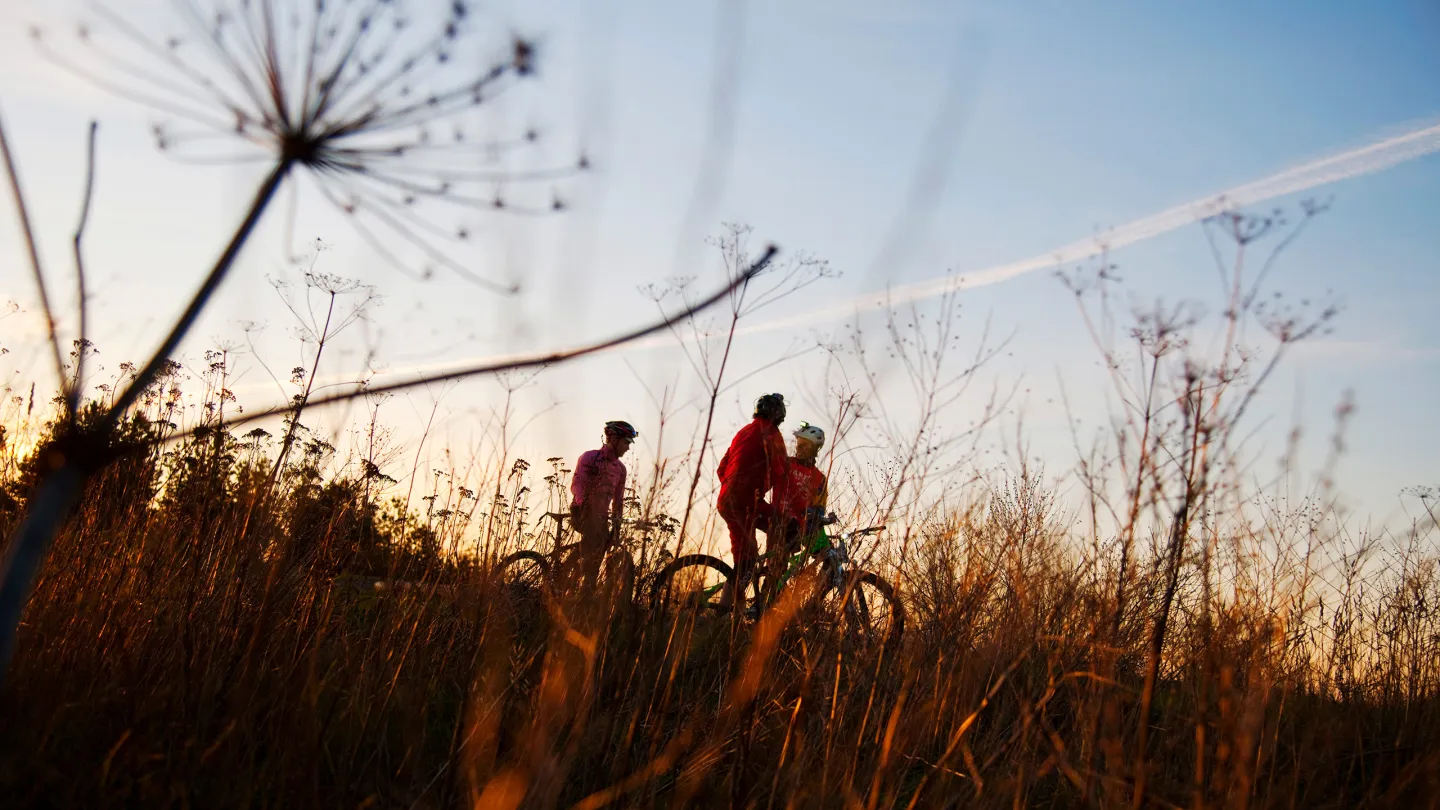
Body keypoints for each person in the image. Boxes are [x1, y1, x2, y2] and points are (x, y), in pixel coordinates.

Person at [716, 393, 788, 608]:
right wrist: (782, 508)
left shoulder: (743, 432)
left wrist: (733, 489)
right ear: (779, 416)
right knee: (781, 533)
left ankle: (747, 601)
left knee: (745, 559)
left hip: (729, 499)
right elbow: (782, 473)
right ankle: (726, 613)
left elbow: (722, 468)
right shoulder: (772, 433)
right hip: (747, 502)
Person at [570, 420, 636, 583]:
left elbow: (618, 499)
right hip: (581, 510)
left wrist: (617, 521)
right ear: (614, 440)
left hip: (601, 517)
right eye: (626, 442)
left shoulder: (620, 469)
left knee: (602, 548)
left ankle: (586, 588)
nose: (628, 447)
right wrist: (583, 503)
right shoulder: (589, 457)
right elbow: (576, 483)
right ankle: (571, 579)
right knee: (595, 543)